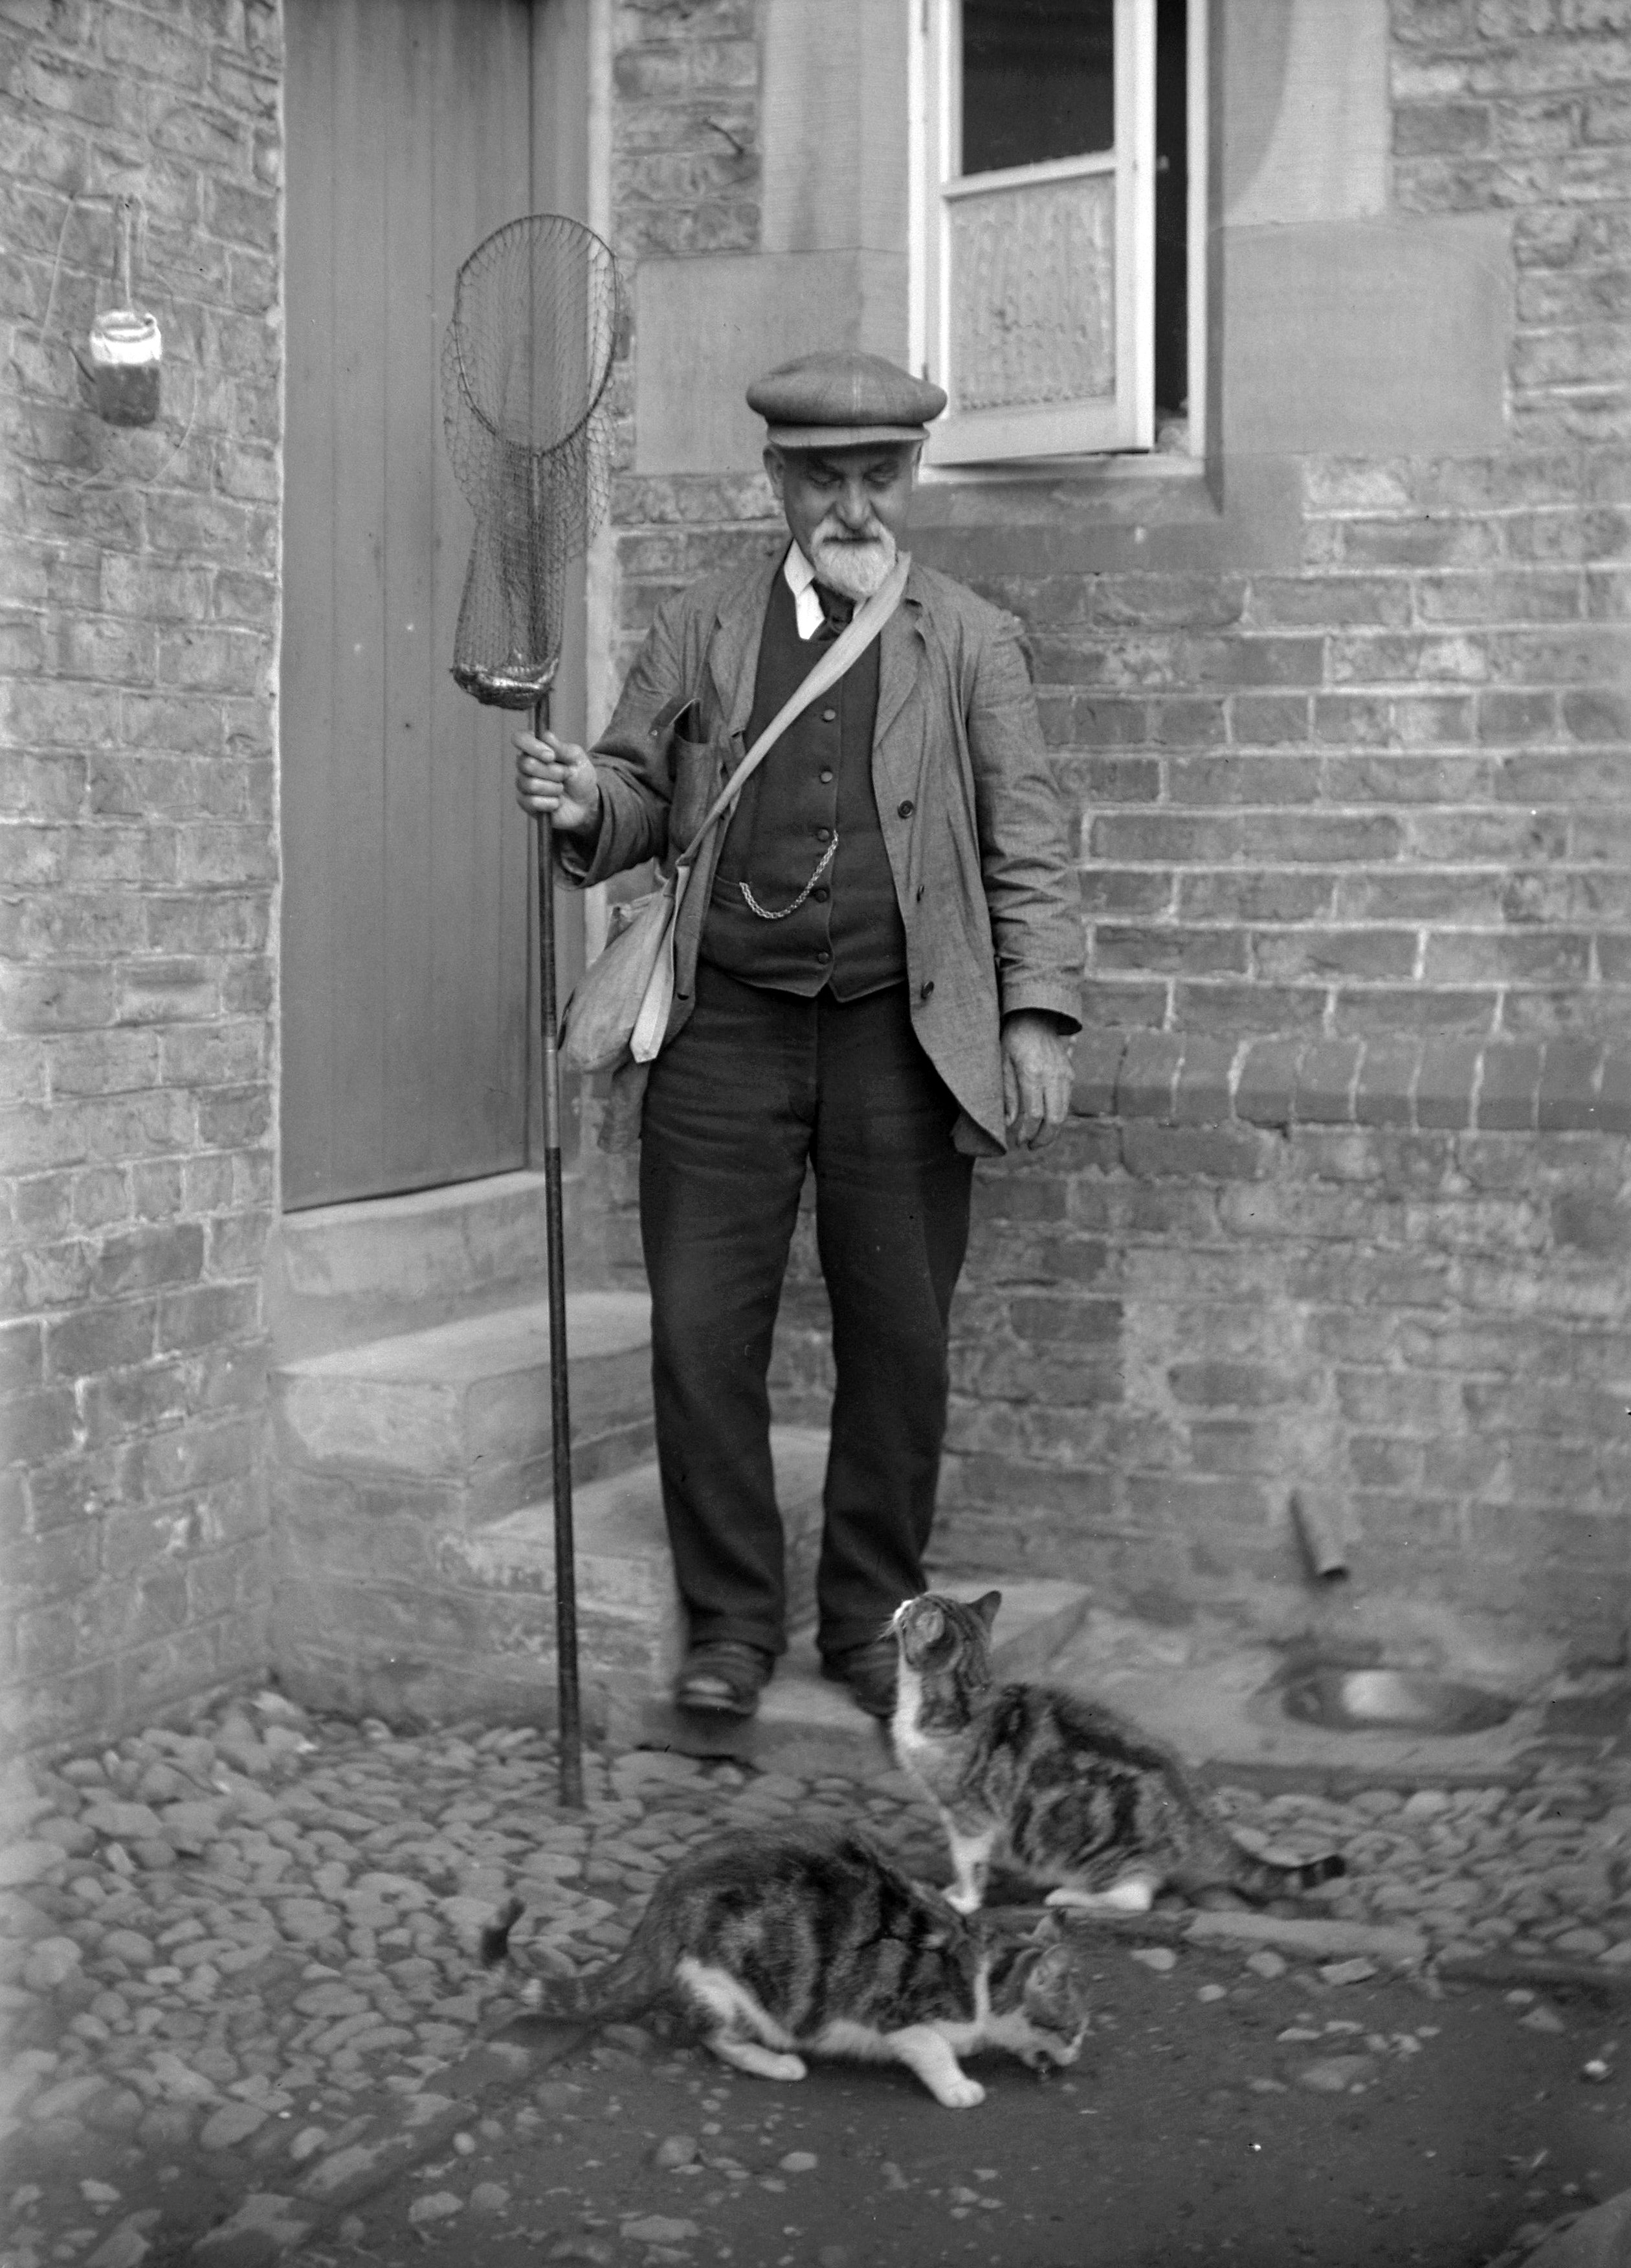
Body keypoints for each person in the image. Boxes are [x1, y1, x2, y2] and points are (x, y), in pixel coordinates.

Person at [515, 350, 1082, 1721]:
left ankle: (868, 1624)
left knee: (901, 1340)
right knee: (704, 1334)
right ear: (776, 480)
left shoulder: (971, 641)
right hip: (725, 1038)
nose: (853, 505)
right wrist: (588, 794)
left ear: (910, 479)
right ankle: (728, 1630)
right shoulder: (702, 626)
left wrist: (1037, 1014)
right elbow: (641, 793)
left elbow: (1031, 843)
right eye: (823, 477)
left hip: (906, 1038)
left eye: (878, 476)